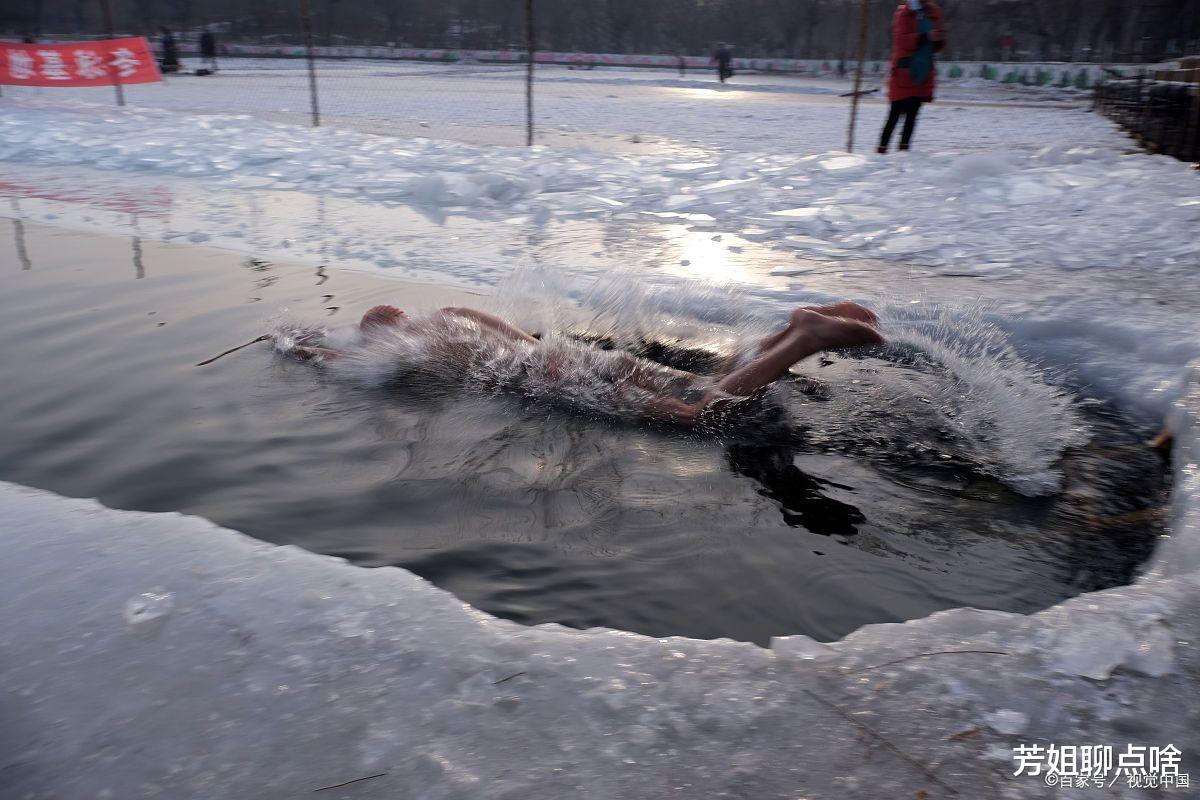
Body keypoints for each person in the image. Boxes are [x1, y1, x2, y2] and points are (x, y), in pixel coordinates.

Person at [284, 301, 883, 426]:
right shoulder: (453, 311)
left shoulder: (413, 344)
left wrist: (297, 342)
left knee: (695, 416)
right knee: (705, 383)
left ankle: (806, 338)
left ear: (383, 333)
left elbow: (353, 366)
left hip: (548, 376)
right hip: (565, 357)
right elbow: (523, 337)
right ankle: (791, 328)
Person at [878, 0, 945, 154]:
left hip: (923, 72)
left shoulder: (933, 12)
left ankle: (903, 152)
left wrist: (939, 39)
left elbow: (936, 46)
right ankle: (882, 151)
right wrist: (926, 36)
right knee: (894, 115)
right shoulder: (904, 13)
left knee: (912, 116)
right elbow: (902, 40)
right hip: (904, 72)